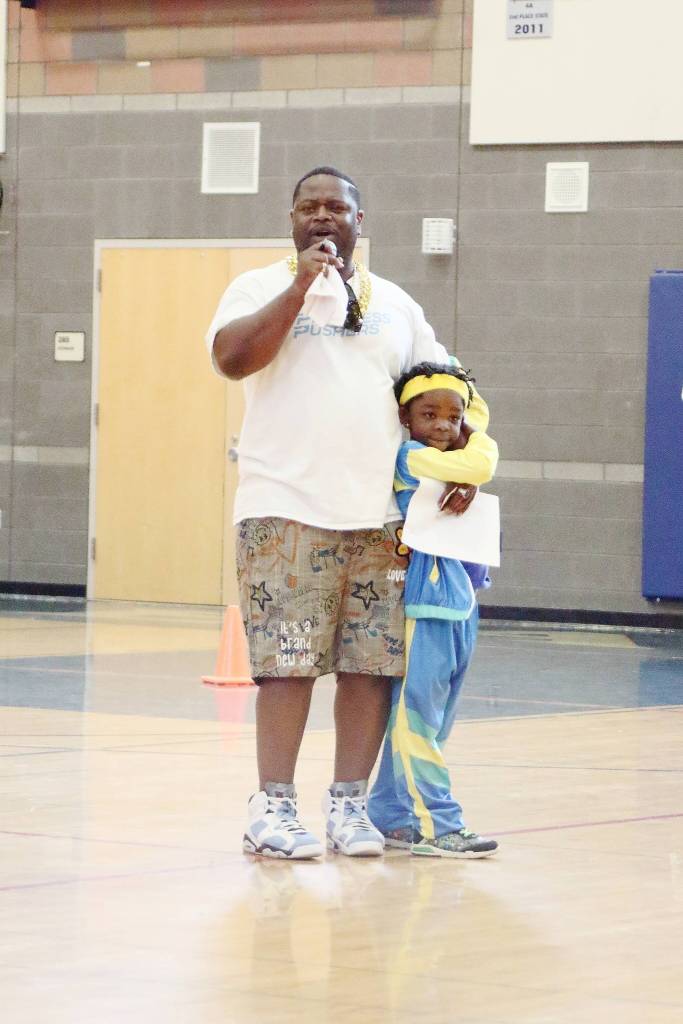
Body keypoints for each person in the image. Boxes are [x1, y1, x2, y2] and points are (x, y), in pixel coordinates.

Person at [205, 166, 490, 860]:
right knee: (288, 664)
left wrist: (467, 460)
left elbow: (452, 391)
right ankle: (272, 807)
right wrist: (300, 289)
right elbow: (232, 359)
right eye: (309, 207)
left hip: (382, 518)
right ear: (292, 220)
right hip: (284, 508)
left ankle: (350, 806)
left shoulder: (395, 304)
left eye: (337, 207)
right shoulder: (256, 287)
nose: (322, 216)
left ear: (361, 221)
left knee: (372, 665)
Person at [367, 361, 500, 858]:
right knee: (417, 719)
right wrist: (473, 435)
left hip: (462, 604)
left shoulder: (452, 461)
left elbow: (474, 464)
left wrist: (468, 432)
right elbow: (482, 463)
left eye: (454, 416)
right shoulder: (411, 457)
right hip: (426, 606)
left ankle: (389, 810)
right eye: (430, 415)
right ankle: (440, 824)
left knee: (435, 722)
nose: (444, 425)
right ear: (406, 417)